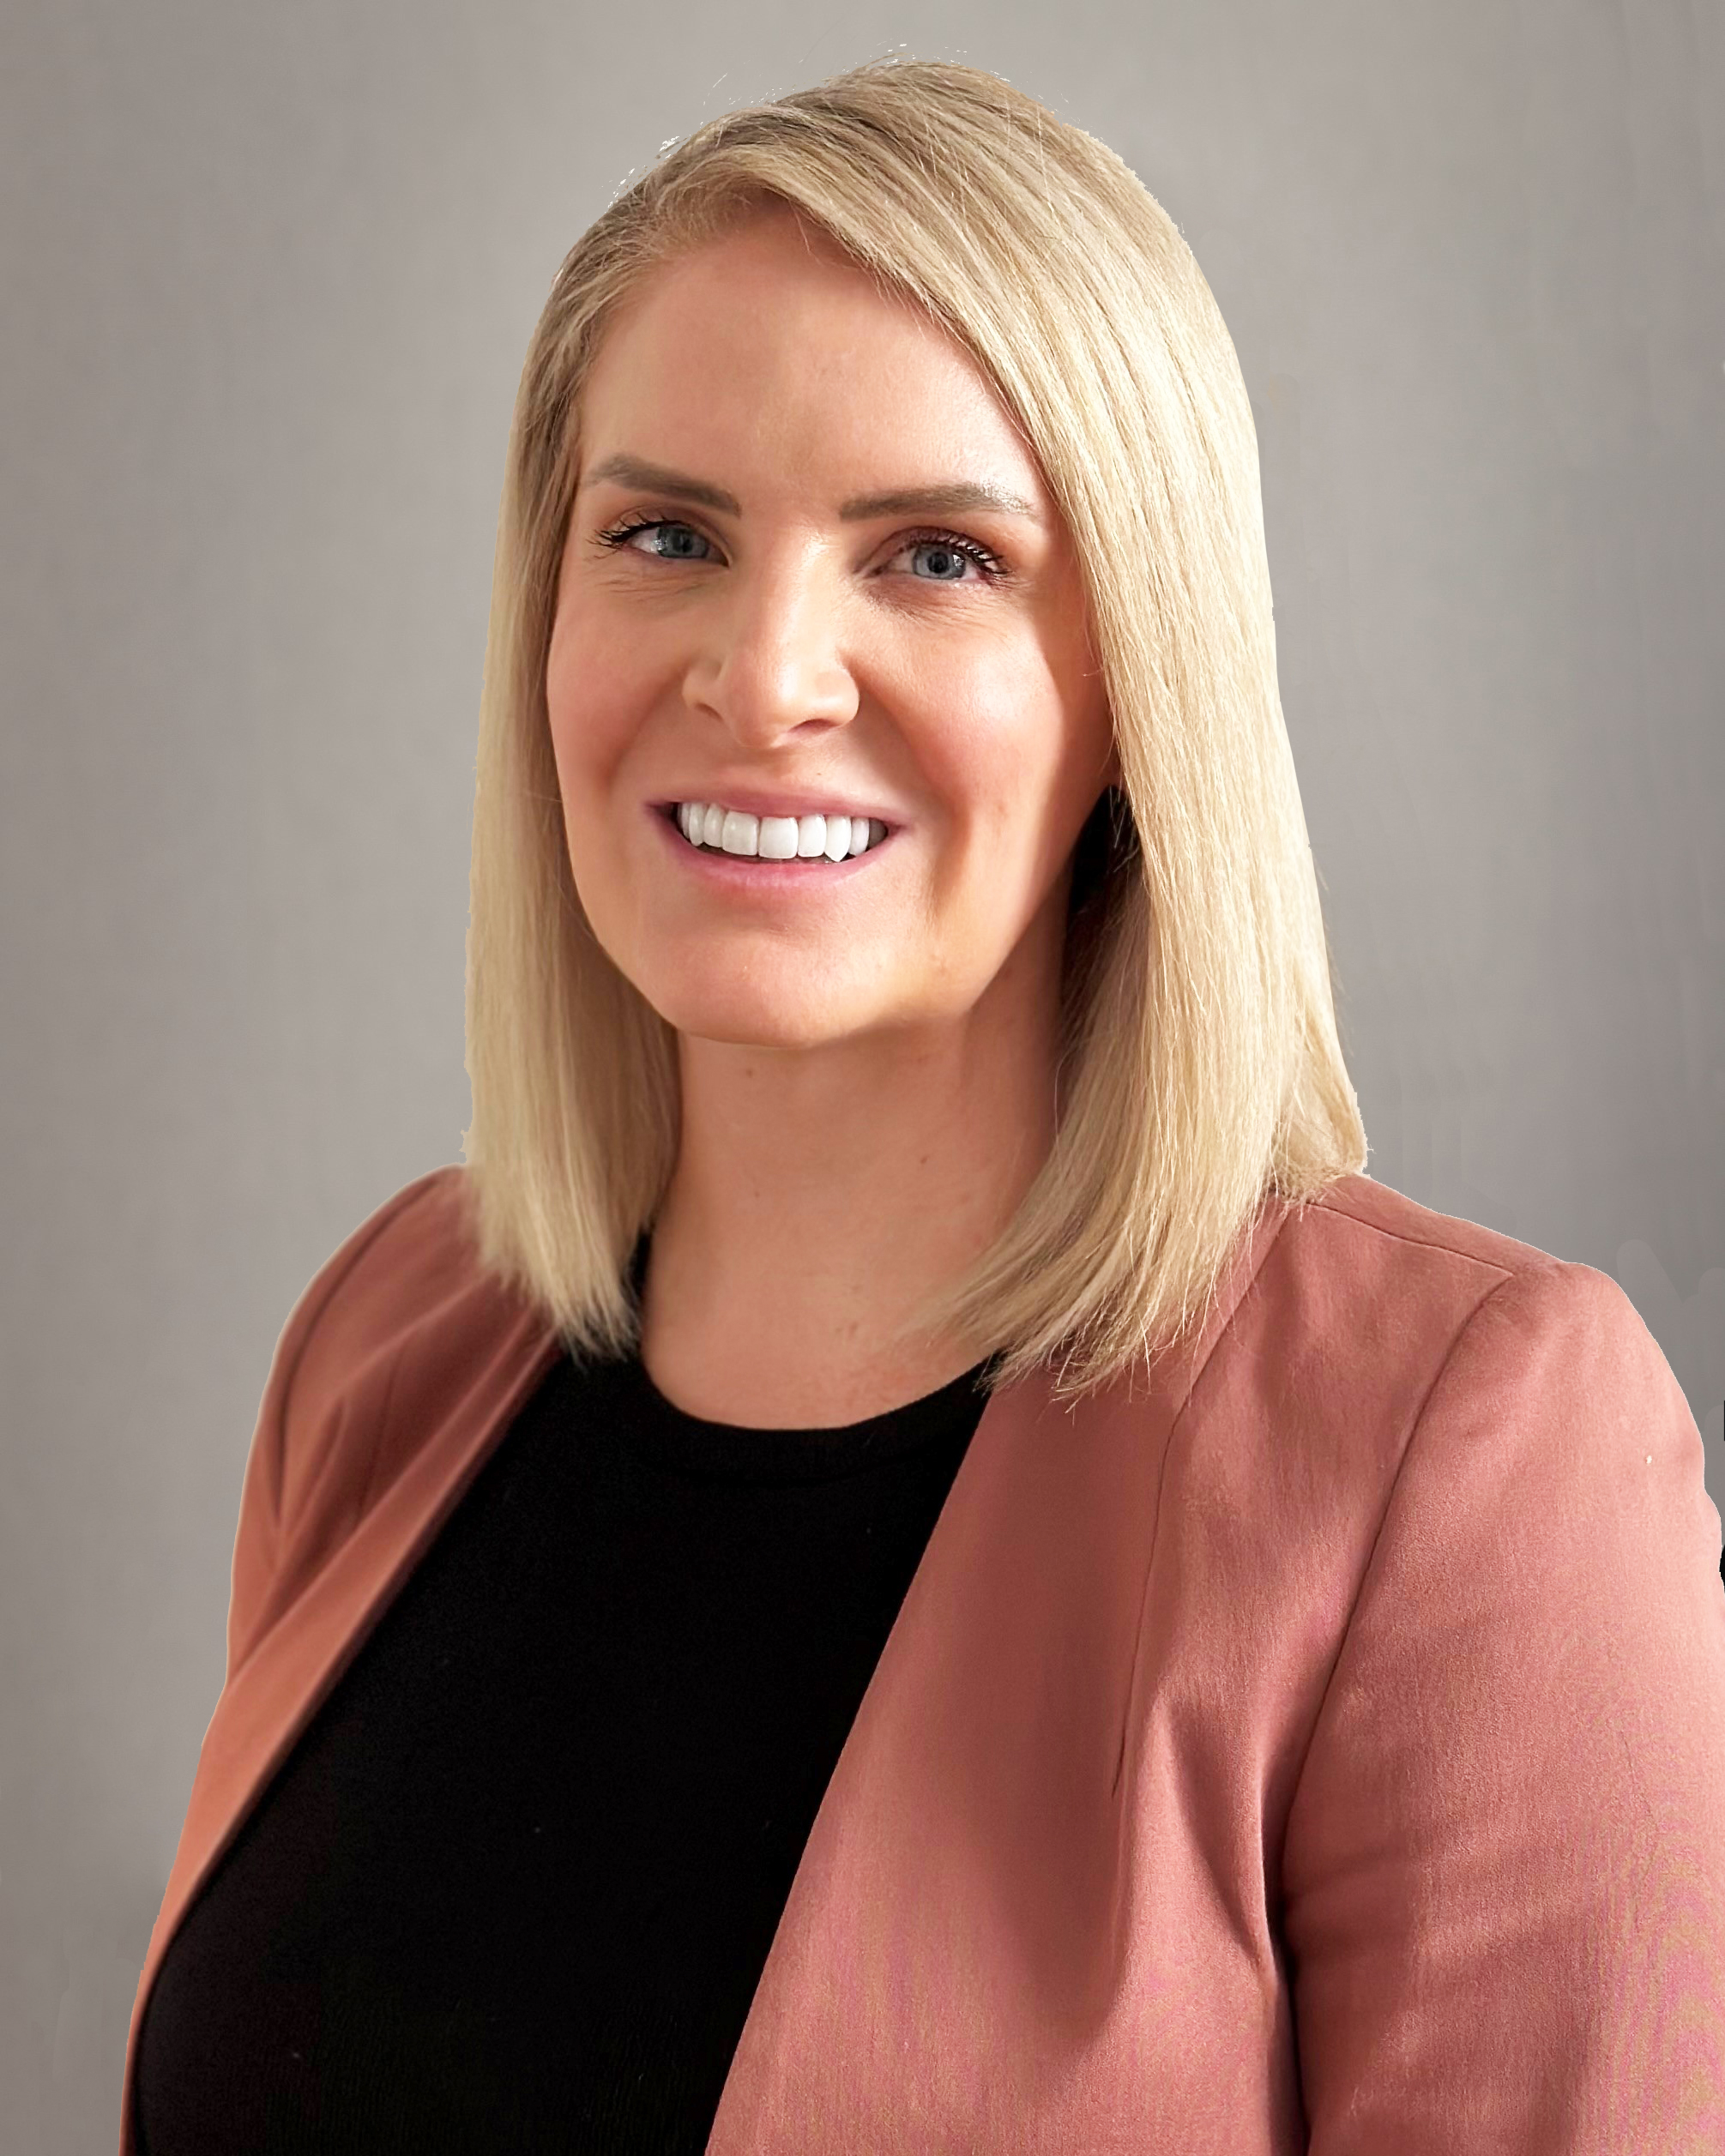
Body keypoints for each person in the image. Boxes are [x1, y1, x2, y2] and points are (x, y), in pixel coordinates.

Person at [120, 56, 1725, 2156]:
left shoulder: (1463, 1463)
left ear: (1140, 686)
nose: (765, 673)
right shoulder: (388, 1344)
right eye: (667, 534)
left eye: (938, 558)